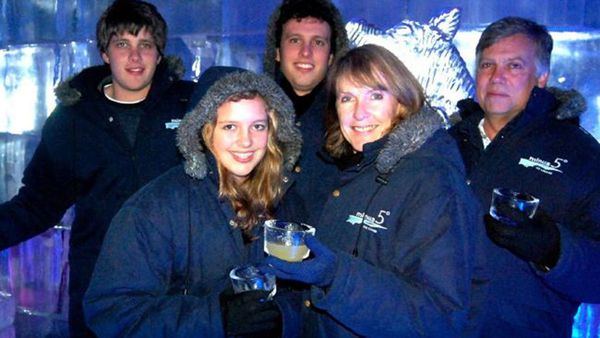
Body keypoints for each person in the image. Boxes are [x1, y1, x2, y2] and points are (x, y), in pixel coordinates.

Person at [261, 44, 487, 337]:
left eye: (375, 96)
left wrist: (337, 277)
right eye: (347, 98)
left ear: (402, 103)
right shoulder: (360, 170)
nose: (359, 113)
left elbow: (437, 318)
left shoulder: (432, 182)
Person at [0, 1, 195, 336]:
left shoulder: (190, 105)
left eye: (145, 45)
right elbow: (38, 203)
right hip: (100, 287)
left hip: (177, 289)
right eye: (123, 44)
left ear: (159, 54)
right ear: (105, 53)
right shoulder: (74, 118)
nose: (135, 57)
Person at [83, 70, 303, 337]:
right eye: (230, 126)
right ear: (205, 130)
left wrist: (282, 318)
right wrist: (215, 320)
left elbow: (305, 294)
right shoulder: (154, 209)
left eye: (257, 126)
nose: (246, 141)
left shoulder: (285, 198)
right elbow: (111, 312)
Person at [449, 17, 600, 337]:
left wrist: (552, 249)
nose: (496, 77)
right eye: (487, 64)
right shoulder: (442, 144)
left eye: (514, 66)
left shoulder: (581, 155)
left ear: (542, 77)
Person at [263, 0, 349, 224]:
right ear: (277, 52)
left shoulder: (354, 119)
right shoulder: (249, 112)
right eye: (295, 40)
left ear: (331, 57)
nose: (306, 52)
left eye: (318, 42)